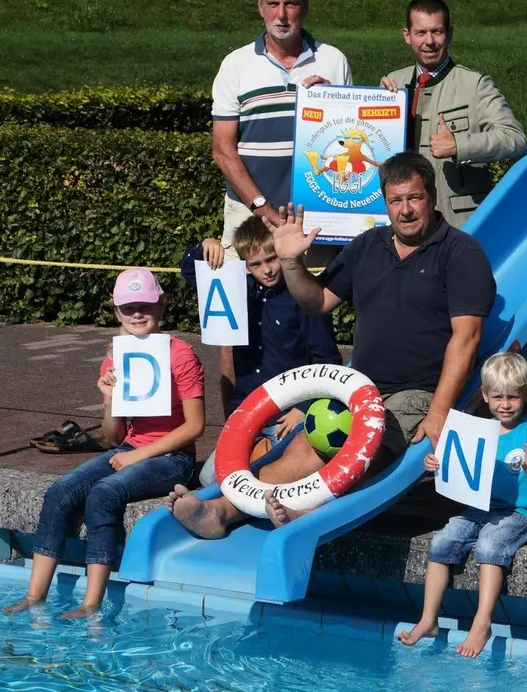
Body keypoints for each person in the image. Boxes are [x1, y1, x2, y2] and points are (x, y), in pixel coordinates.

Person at [166, 152, 495, 537]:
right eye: (395, 200)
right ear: (384, 202)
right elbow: (317, 301)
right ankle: (223, 511)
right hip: (360, 387)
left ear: (432, 196)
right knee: (303, 450)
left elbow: (467, 338)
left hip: (416, 391)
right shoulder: (368, 245)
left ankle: (305, 512)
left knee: (367, 452)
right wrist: (290, 263)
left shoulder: (461, 253)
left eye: (414, 198)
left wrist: (439, 410)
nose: (405, 210)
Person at [4, 269, 205, 618]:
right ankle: (34, 596)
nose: (137, 314)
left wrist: (138, 455)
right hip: (129, 448)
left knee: (103, 494)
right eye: (128, 308)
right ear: (116, 312)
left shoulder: (181, 354)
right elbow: (113, 437)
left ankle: (91, 603)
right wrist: (110, 399)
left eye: (145, 305)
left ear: (162, 307)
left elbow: (195, 427)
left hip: (174, 457)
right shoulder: (116, 358)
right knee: (60, 492)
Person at [395, 352, 527, 656]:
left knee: (489, 546)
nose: (505, 404)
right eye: (497, 397)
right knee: (442, 541)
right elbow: (458, 464)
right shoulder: (476, 431)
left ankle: (482, 622)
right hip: (481, 508)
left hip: (521, 511)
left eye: (513, 397)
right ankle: (429, 619)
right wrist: (435, 464)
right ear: (485, 396)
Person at [179, 215, 341, 487]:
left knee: (260, 477)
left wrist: (303, 408)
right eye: (256, 264)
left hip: (288, 415)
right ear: (245, 265)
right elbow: (190, 272)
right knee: (209, 478)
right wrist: (204, 247)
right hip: (249, 411)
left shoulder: (304, 296)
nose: (266, 270)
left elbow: (327, 361)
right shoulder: (238, 290)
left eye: (272, 259)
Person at [211, 0, 353, 246]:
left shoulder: (334, 61)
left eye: (291, 4)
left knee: (315, 290)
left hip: (313, 215)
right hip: (247, 212)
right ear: (260, 8)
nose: (281, 14)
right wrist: (261, 206)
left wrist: (332, 103)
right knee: (248, 290)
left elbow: (347, 139)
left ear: (305, 8)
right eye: (273, 4)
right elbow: (222, 150)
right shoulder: (235, 65)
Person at [380, 0, 527, 227]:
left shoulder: (475, 85)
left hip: (457, 224)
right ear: (407, 36)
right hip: (403, 223)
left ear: (449, 33)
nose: (429, 41)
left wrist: (460, 144)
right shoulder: (392, 83)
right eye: (421, 33)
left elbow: (515, 138)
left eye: (437, 32)